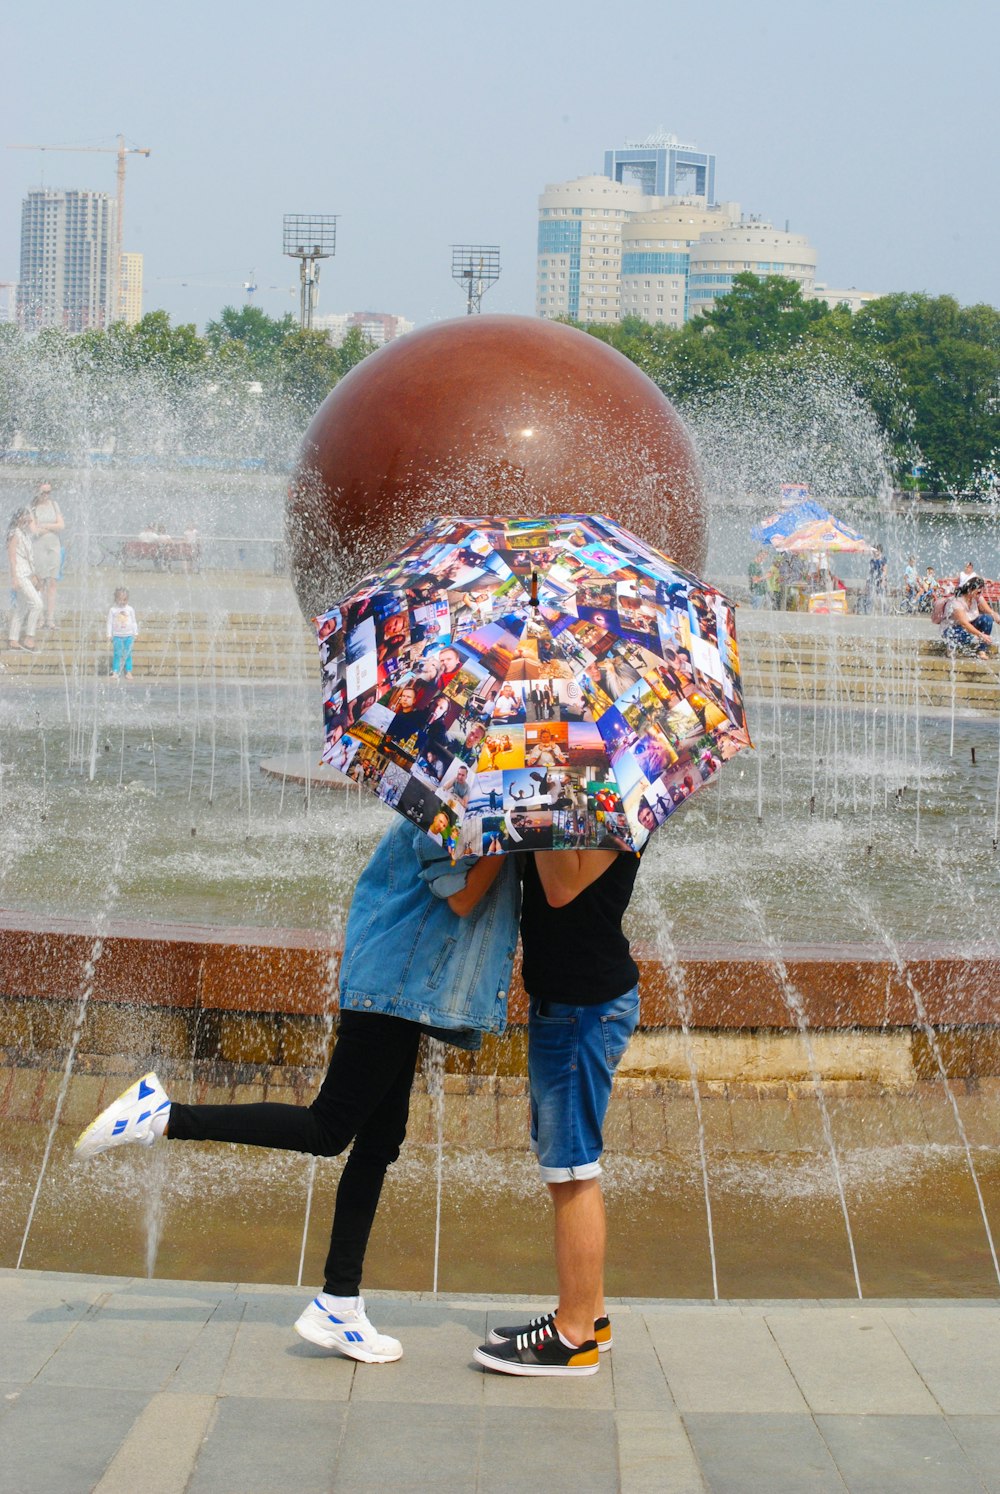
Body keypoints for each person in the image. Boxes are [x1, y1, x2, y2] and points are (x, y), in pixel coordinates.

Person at [75, 817, 520, 1365]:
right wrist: (508, 840)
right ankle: (162, 1115)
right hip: (389, 984)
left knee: (379, 1143)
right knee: (328, 1128)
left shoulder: (478, 805)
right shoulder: (448, 810)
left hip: (404, 991)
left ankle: (339, 1303)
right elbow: (460, 898)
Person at [474, 844, 641, 1377]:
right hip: (570, 1003)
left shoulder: (609, 812)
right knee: (565, 1168)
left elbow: (561, 888)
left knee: (573, 1169)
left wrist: (538, 814)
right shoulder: (582, 806)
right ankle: (588, 1314)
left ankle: (571, 1338)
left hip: (583, 1010)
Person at [29, 481, 65, 631]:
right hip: (39, 547)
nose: (46, 495)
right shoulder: (31, 508)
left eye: (48, 492)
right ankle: (40, 618)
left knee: (52, 582)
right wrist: (52, 527)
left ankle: (50, 619)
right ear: (37, 492)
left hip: (54, 546)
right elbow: (33, 531)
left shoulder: (54, 505)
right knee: (40, 583)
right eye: (43, 492)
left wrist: (44, 526)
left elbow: (61, 526)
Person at [6, 508, 41, 652]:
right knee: (37, 604)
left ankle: (13, 639)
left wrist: (34, 575)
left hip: (26, 574)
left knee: (21, 608)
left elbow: (28, 557)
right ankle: (29, 638)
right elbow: (12, 557)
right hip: (20, 574)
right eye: (26, 517)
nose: (28, 521)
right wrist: (14, 577)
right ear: (19, 518)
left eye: (30, 519)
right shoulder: (14, 533)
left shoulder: (25, 534)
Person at [941, 577, 998, 657]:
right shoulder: (957, 602)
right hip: (953, 629)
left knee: (987, 618)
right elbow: (964, 624)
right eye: (978, 592)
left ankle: (982, 650)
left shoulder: (977, 597)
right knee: (967, 634)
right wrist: (981, 635)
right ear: (970, 590)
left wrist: (997, 618)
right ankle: (951, 647)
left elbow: (991, 612)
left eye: (981, 592)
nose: (980, 594)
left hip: (968, 625)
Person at [107, 587, 139, 679]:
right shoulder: (113, 610)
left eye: (124, 600)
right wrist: (109, 634)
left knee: (128, 654)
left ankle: (128, 671)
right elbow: (109, 623)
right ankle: (115, 671)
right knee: (117, 654)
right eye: (120, 599)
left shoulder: (130, 609)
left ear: (127, 599)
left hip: (129, 635)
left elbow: (133, 621)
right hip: (117, 636)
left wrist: (135, 632)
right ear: (116, 599)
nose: (122, 602)